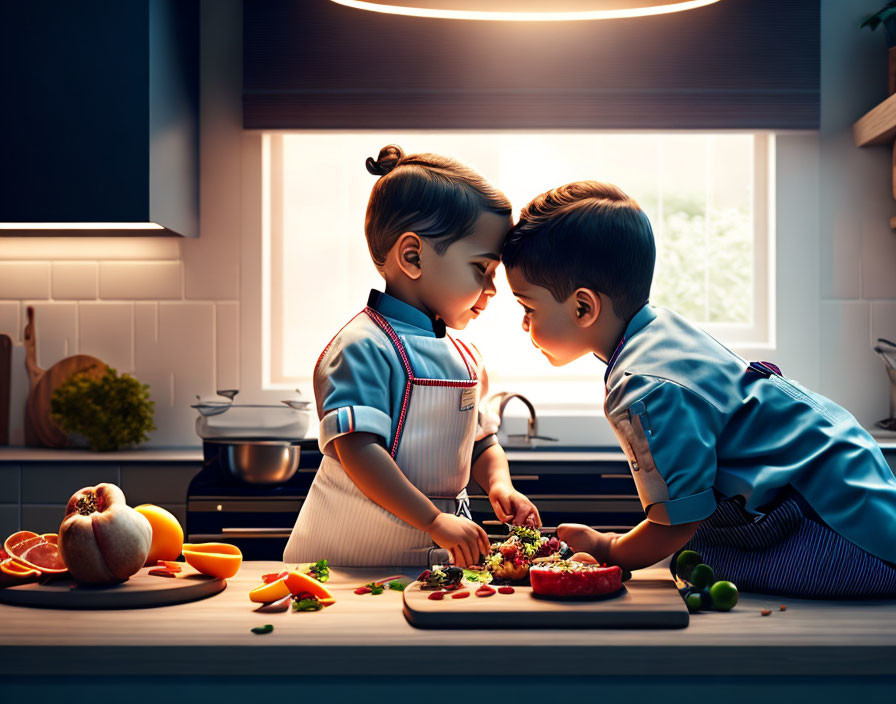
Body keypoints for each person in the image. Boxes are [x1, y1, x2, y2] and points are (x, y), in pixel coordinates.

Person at [500, 180, 896, 598]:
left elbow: (678, 521)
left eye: (528, 308)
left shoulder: (639, 387)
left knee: (712, 562)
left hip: (843, 529)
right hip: (854, 490)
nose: (524, 324)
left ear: (584, 307)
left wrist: (609, 547)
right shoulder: (662, 331)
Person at [283, 145, 540, 568]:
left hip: (432, 566)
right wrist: (435, 520)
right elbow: (359, 450)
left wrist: (500, 484)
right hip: (342, 567)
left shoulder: (466, 357)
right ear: (413, 256)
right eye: (482, 269)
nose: (493, 290)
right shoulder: (362, 347)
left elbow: (480, 443)